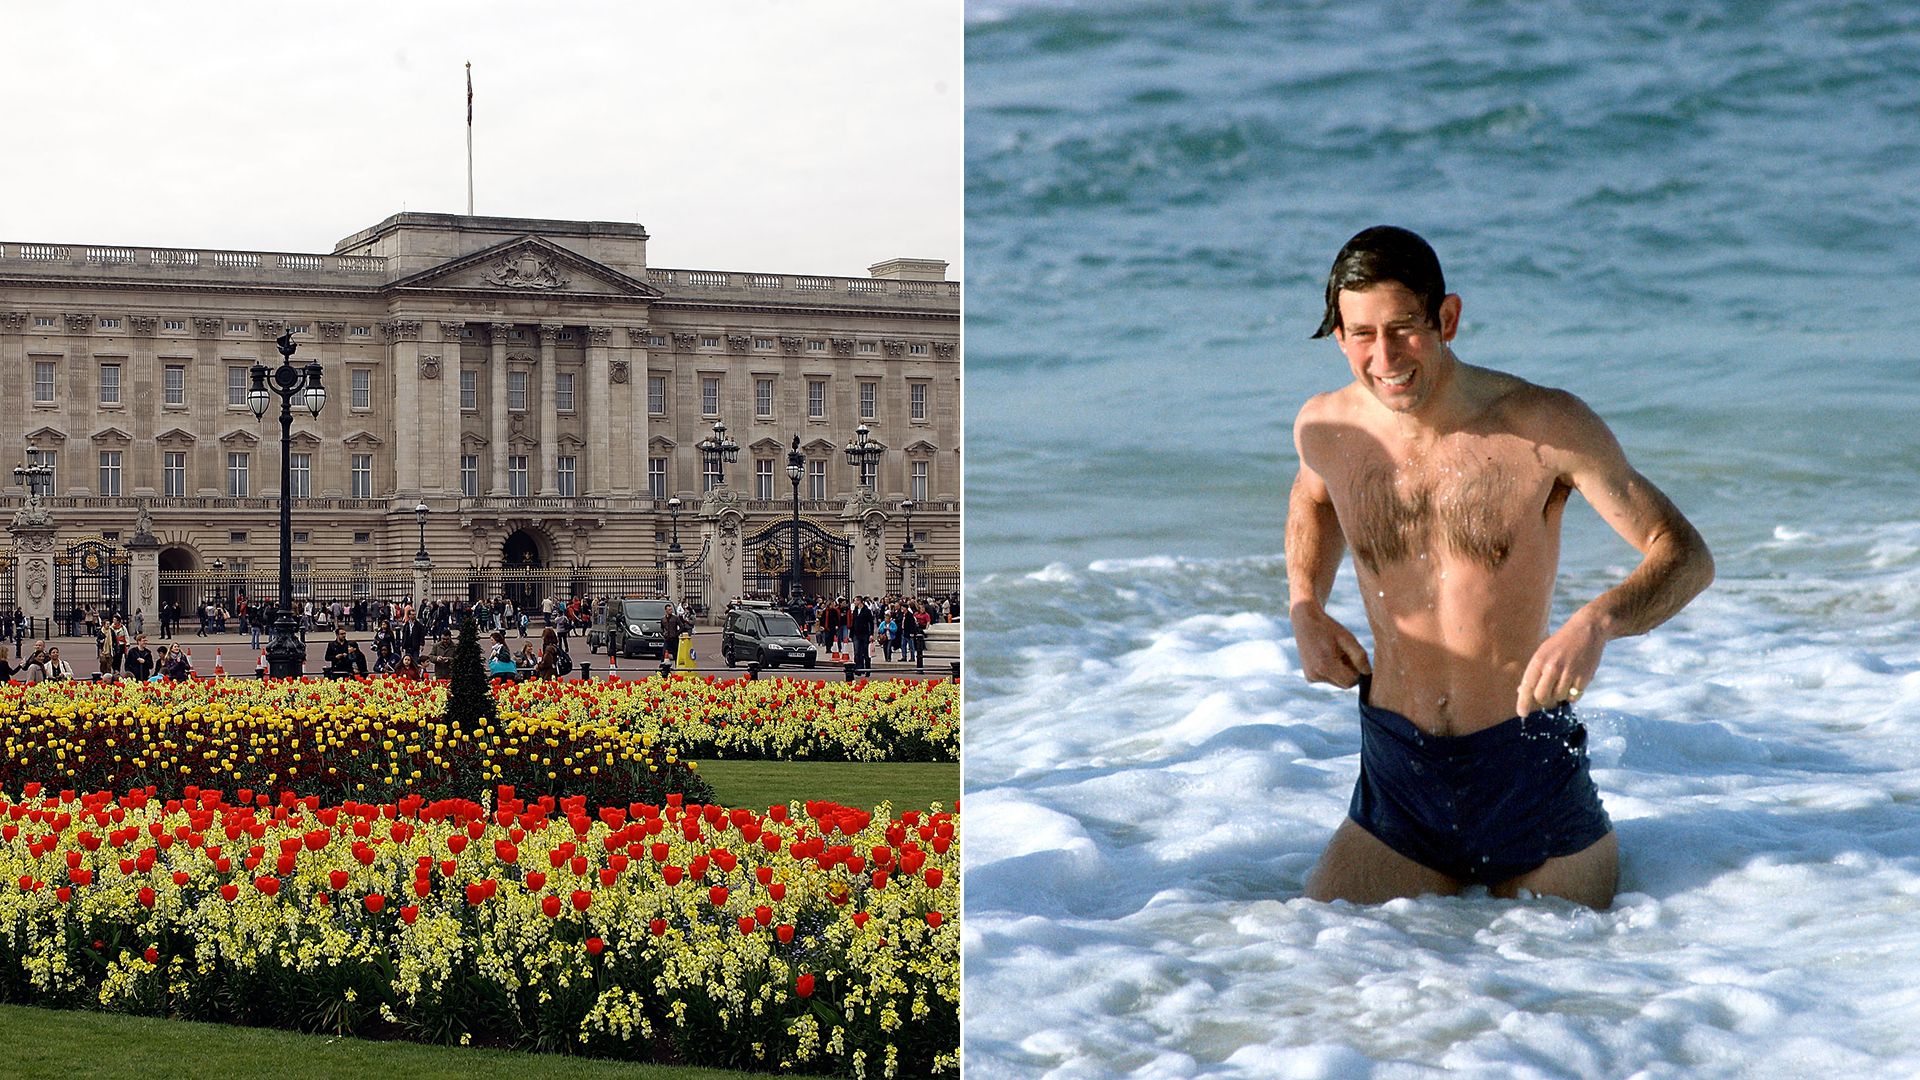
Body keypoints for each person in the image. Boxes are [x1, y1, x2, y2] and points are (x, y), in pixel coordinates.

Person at [1287, 226, 1714, 911]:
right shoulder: (1325, 430)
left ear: (1448, 318)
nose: (1385, 356)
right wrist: (1305, 603)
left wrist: (1599, 621)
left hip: (1527, 774)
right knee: (1319, 964)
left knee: (1570, 991)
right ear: (1339, 336)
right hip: (1399, 780)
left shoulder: (1544, 426)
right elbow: (1312, 500)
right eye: (1362, 334)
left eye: (1404, 328)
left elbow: (1684, 555)